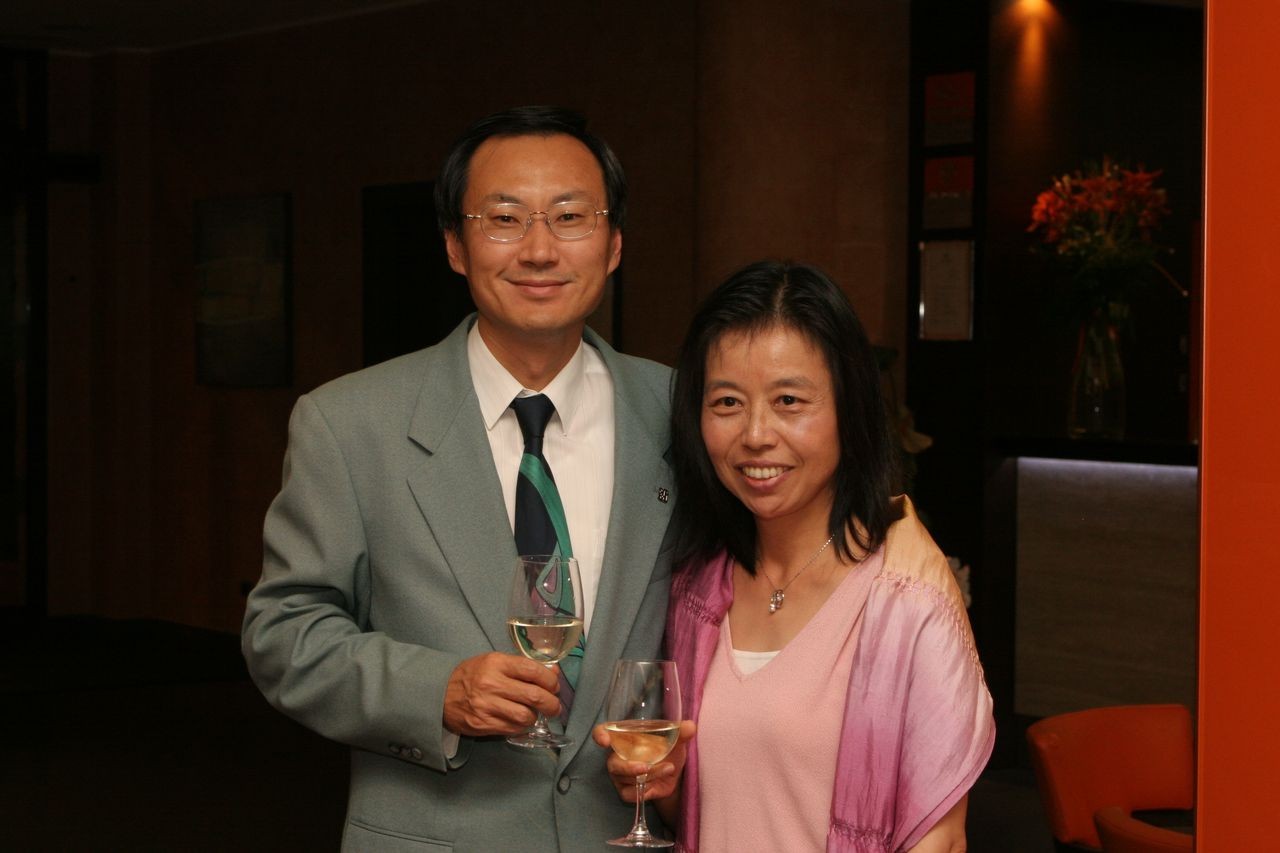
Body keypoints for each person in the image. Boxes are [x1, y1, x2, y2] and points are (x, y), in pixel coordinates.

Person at [242, 106, 678, 852]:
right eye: (504, 218)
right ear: (454, 245)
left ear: (613, 244)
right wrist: (434, 690)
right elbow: (283, 632)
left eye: (570, 216)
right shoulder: (351, 424)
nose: (539, 249)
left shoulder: (680, 413)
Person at [597, 261, 994, 852]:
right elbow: (714, 812)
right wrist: (663, 783)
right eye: (727, 402)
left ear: (849, 411)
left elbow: (941, 840)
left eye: (788, 400)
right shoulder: (698, 589)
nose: (756, 434)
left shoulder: (908, 604)